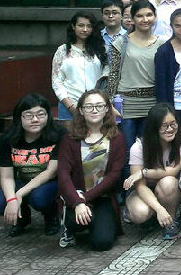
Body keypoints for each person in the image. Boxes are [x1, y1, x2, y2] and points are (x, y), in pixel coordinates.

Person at [56, 90, 125, 250]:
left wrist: (85, 198)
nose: (94, 110)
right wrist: (78, 201)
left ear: (106, 109)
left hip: (102, 197)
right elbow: (63, 174)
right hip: (75, 196)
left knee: (102, 243)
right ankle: (70, 226)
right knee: (76, 222)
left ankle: (97, 224)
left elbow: (114, 175)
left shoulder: (117, 138)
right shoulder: (69, 139)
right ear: (81, 110)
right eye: (89, 107)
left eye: (99, 106)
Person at [0, 94, 64, 237]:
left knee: (40, 198)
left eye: (40, 114)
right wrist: (12, 200)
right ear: (20, 117)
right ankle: (22, 217)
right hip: (21, 180)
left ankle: (51, 215)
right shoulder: (7, 139)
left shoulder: (59, 134)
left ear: (48, 115)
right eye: (29, 115)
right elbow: (6, 176)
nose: (35, 119)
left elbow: (51, 172)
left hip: (50, 182)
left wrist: (20, 194)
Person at [123, 103, 181, 240]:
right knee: (140, 213)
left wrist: (143, 172)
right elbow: (140, 186)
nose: (170, 129)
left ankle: (170, 221)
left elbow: (173, 170)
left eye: (173, 124)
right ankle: (153, 215)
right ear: (154, 127)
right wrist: (159, 209)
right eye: (164, 126)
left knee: (168, 182)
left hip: (170, 188)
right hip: (144, 190)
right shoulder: (139, 147)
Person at [107, 0, 166, 152]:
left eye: (149, 15)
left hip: (152, 104)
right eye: (139, 16)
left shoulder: (163, 43)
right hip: (126, 105)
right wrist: (109, 103)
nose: (145, 19)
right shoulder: (120, 42)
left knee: (148, 150)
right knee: (127, 150)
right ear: (132, 19)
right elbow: (113, 74)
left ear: (155, 17)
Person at [52, 11, 106, 124]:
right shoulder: (63, 50)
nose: (85, 29)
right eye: (81, 25)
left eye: (89, 26)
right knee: (70, 135)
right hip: (69, 103)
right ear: (73, 26)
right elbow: (56, 81)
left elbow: (105, 76)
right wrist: (70, 106)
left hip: (95, 105)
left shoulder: (100, 49)